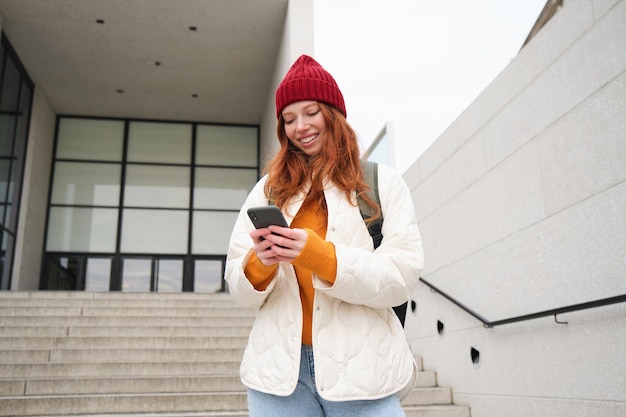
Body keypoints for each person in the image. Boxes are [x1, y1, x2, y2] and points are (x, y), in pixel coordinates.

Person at [225, 54, 424, 417]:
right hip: (279, 378)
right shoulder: (266, 190)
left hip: (364, 371)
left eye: (311, 112)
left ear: (333, 113)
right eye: (288, 119)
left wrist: (321, 257)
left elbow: (402, 277)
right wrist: (260, 263)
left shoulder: (382, 183)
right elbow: (237, 286)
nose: (300, 126)